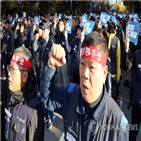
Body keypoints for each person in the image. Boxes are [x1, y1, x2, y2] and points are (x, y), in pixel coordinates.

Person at [40, 31, 129, 140]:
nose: (85, 74)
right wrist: (50, 67)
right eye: (82, 64)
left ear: (104, 73)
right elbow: (47, 98)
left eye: (92, 67)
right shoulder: (70, 94)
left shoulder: (118, 123)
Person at [3, 46, 44, 141]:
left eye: (12, 70)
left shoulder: (33, 109)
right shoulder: (9, 92)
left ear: (24, 76)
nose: (9, 73)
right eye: (9, 68)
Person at [33, 23, 54, 129]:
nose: (42, 32)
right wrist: (36, 40)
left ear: (48, 32)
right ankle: (45, 115)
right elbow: (35, 50)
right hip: (40, 73)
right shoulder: (40, 42)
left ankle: (50, 117)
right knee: (42, 95)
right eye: (41, 30)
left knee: (48, 97)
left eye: (44, 30)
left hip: (48, 77)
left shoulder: (52, 45)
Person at [123, 36, 141, 141]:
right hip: (137, 104)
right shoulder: (137, 54)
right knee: (133, 133)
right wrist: (126, 50)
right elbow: (126, 66)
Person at [105, 16, 121, 102]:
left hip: (113, 73)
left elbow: (118, 59)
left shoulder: (117, 40)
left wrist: (118, 74)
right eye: (109, 24)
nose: (110, 26)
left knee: (112, 94)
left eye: (112, 24)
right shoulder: (103, 37)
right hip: (103, 71)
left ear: (115, 26)